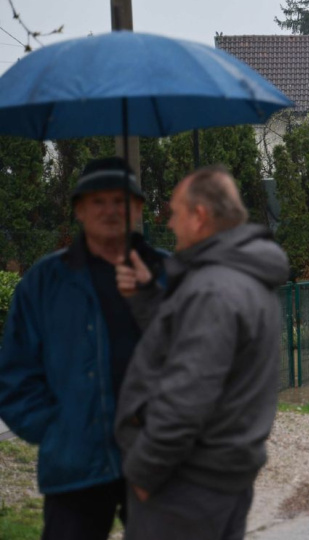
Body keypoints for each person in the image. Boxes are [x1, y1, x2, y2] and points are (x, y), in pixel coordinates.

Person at [114, 165, 289, 540]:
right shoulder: (245, 276)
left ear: (199, 216)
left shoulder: (212, 288)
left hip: (185, 486)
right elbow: (190, 347)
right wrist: (147, 298)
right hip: (222, 480)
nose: (171, 224)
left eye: (176, 213)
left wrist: (144, 472)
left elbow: (187, 396)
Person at [0, 157, 165, 540]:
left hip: (157, 459)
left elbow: (202, 364)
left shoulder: (169, 275)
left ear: (138, 208)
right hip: (74, 465)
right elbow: (14, 374)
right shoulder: (44, 282)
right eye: (98, 201)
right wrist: (57, 429)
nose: (110, 211)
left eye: (121, 201)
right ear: (79, 210)